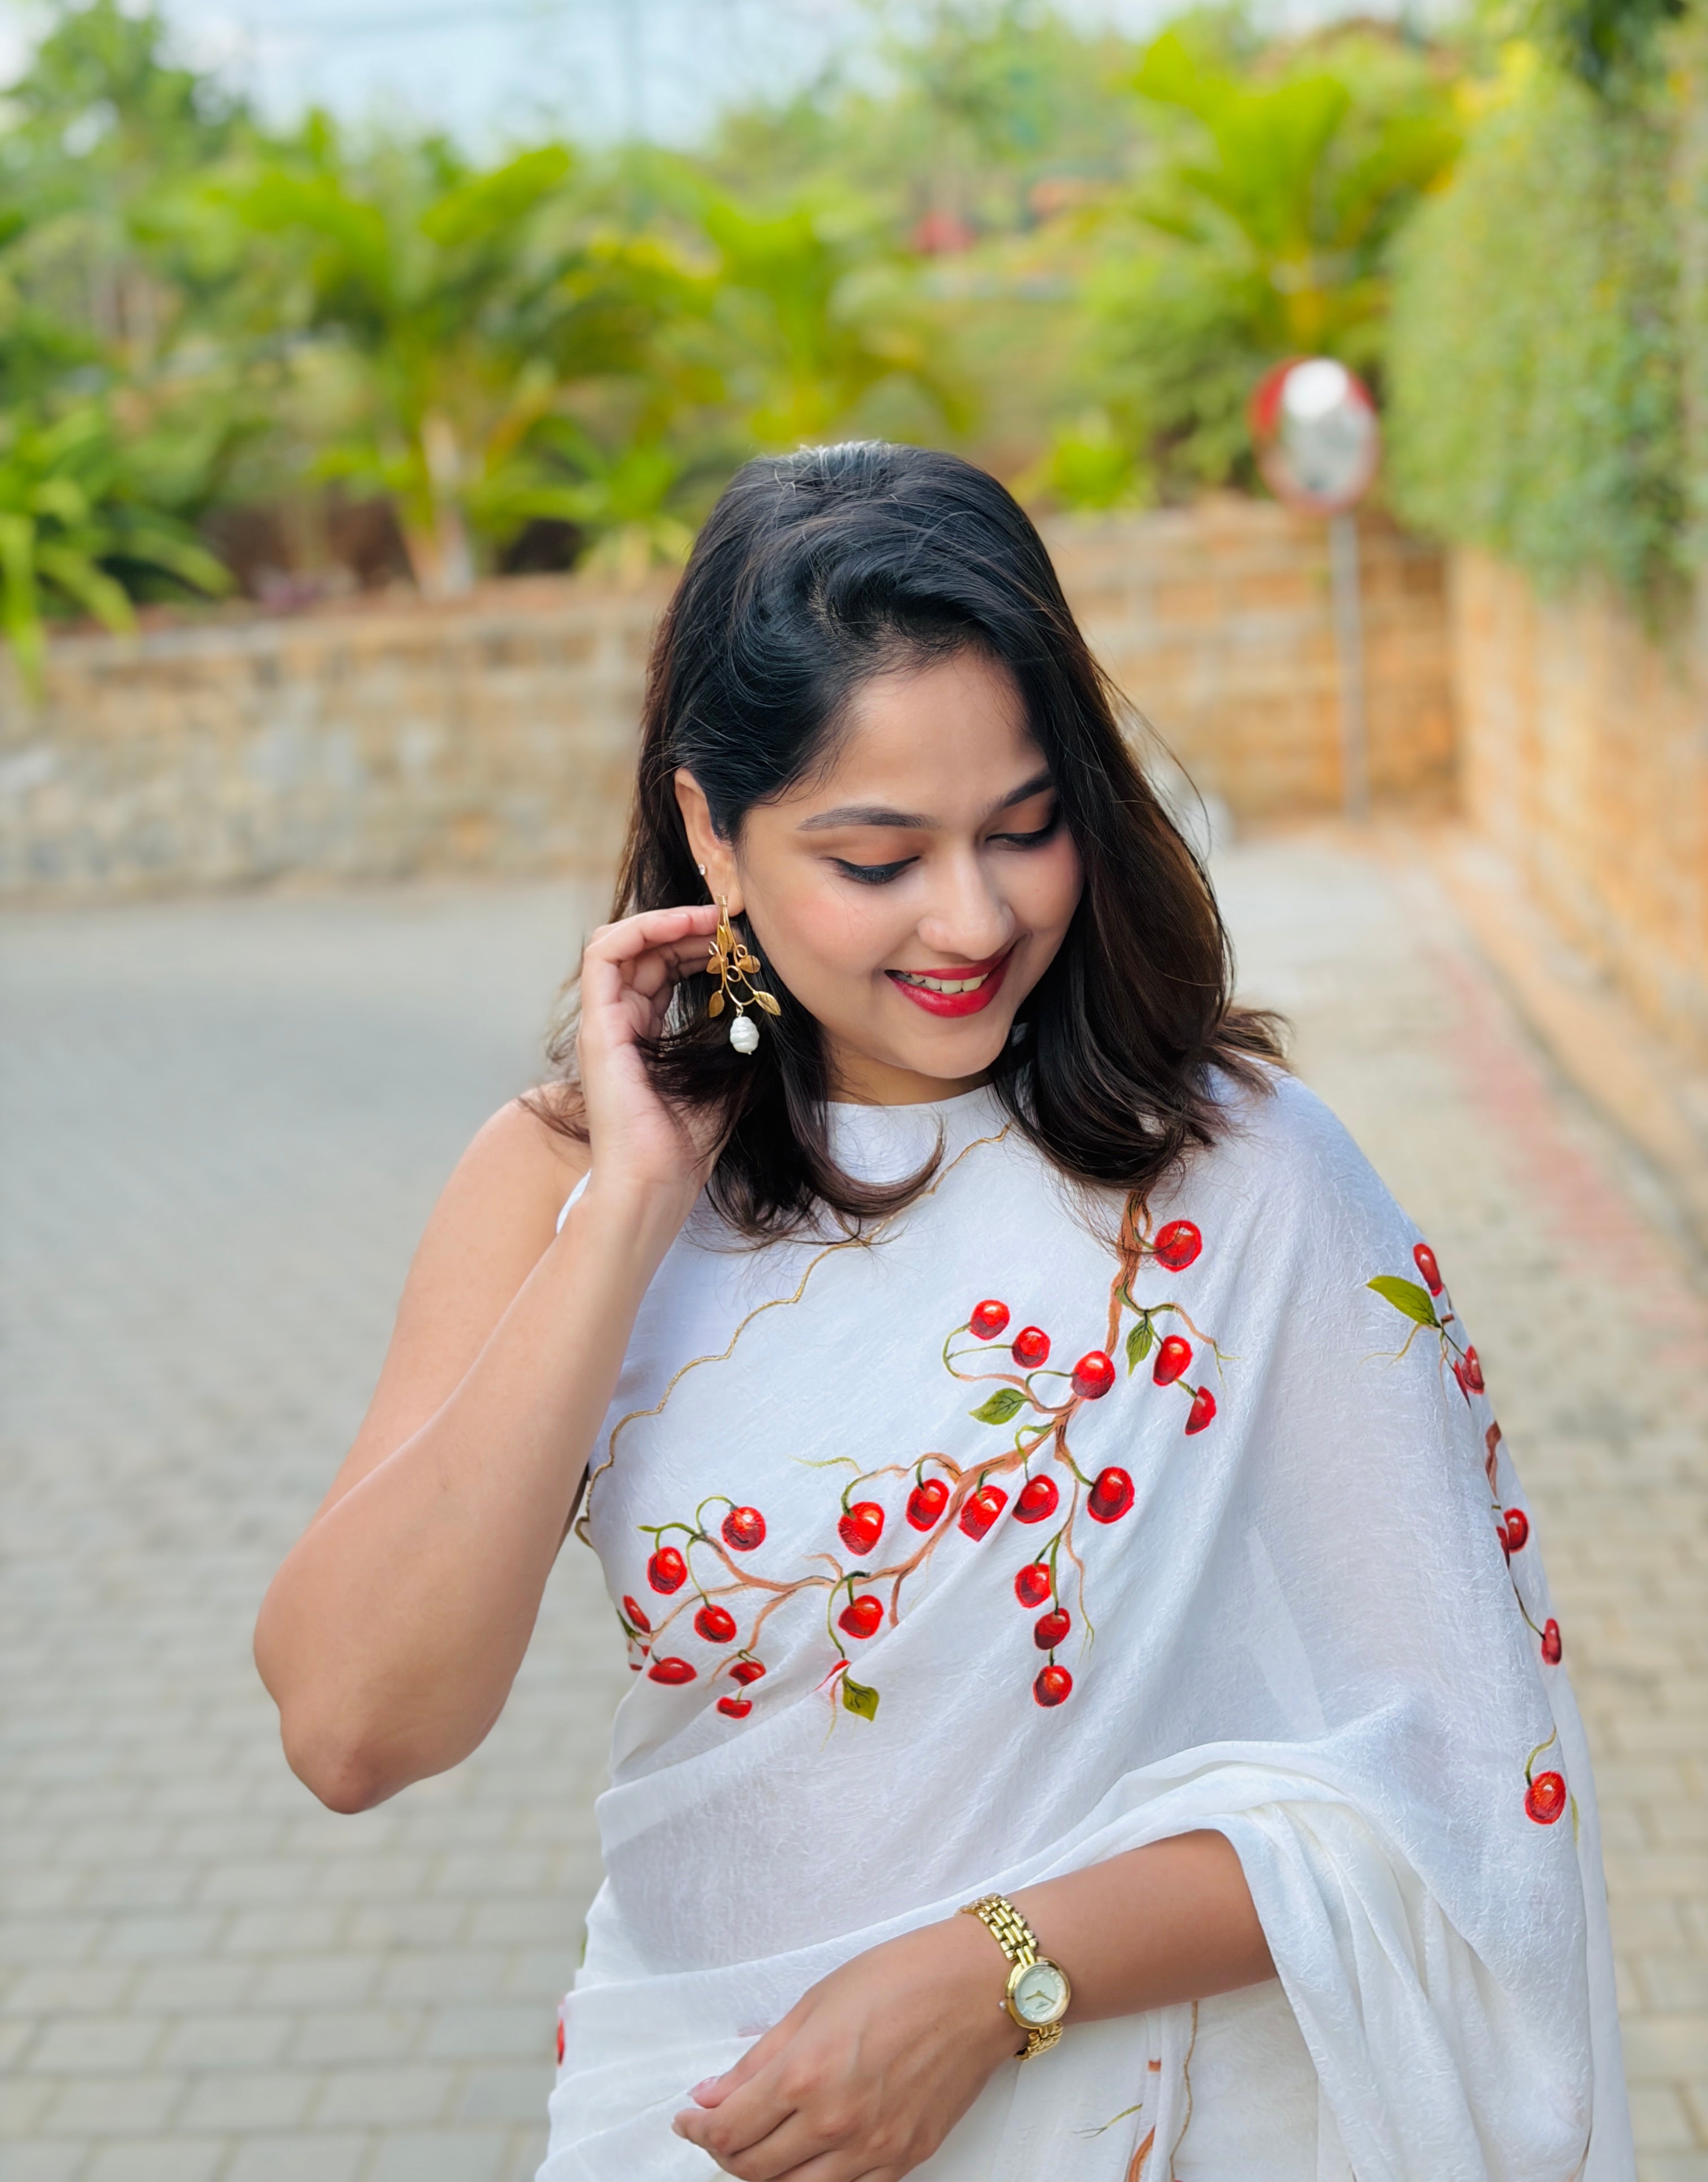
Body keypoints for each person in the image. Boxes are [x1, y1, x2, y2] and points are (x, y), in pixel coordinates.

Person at [255, 443, 1632, 2182]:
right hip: (700, 2111)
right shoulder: (559, 1186)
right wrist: (631, 1217)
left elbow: (1454, 1790)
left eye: (1025, 827)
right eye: (877, 855)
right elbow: (358, 1728)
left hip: (1152, 2120)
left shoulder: (1242, 1182)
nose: (973, 918)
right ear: (709, 831)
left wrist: (996, 1976)